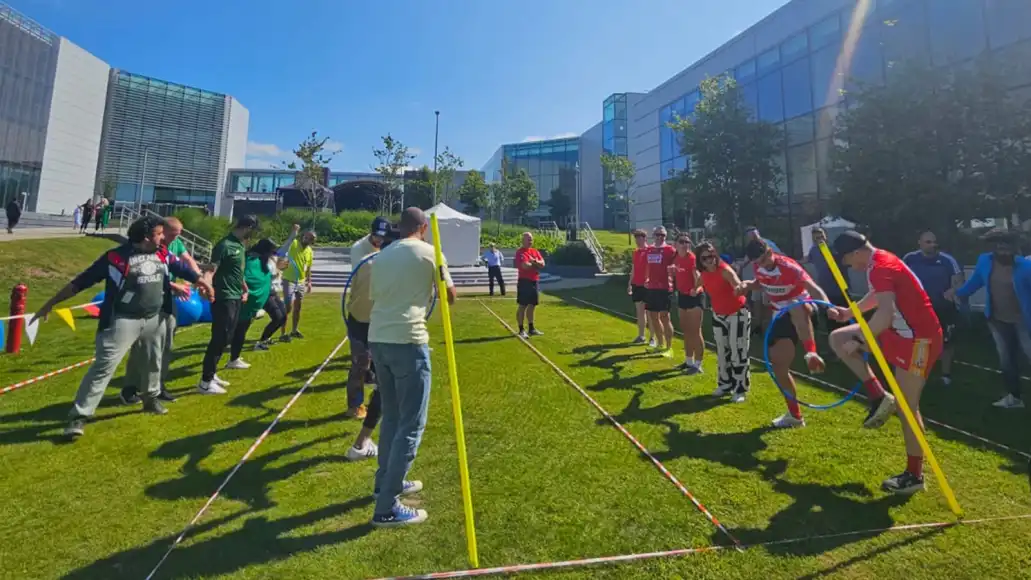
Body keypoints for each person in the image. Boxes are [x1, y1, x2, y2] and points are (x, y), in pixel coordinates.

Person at [30, 216, 210, 438]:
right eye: (160, 234)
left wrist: (202, 282)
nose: (164, 238)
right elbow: (81, 282)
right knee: (104, 367)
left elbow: (181, 268)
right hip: (122, 320)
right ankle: (78, 417)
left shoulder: (162, 253)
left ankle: (151, 399)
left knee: (154, 361)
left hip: (154, 318)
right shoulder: (114, 258)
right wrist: (50, 304)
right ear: (146, 237)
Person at [828, 231, 940, 495]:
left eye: (846, 260)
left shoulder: (880, 266)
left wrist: (859, 342)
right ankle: (878, 396)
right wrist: (850, 312)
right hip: (899, 333)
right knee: (837, 338)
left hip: (918, 340)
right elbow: (880, 297)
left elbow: (886, 314)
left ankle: (914, 475)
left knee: (907, 408)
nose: (848, 266)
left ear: (856, 252)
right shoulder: (876, 263)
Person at [367, 207, 456, 527]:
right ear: (423, 227)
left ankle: (385, 481)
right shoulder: (431, 253)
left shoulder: (383, 254)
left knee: (391, 416)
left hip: (379, 339)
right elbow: (450, 295)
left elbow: (377, 295)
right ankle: (387, 506)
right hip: (408, 341)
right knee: (411, 423)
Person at [740, 239, 832, 428]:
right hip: (780, 314)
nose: (767, 260)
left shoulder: (789, 266)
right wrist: (748, 285)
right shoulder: (759, 268)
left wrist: (828, 307)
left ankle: (811, 352)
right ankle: (795, 416)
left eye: (767, 255)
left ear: (769, 250)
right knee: (778, 366)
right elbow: (762, 283)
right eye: (761, 260)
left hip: (804, 308)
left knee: (795, 307)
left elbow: (813, 287)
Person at [120, 217, 203, 404]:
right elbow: (149, 273)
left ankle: (158, 386)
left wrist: (200, 280)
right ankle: (130, 388)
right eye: (173, 235)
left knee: (167, 344)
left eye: (178, 235)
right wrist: (174, 285)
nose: (176, 239)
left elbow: (185, 261)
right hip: (146, 300)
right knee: (142, 347)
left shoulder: (173, 244)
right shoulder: (146, 247)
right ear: (161, 231)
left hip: (167, 300)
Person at [948, 230, 1031, 409]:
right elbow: (976, 281)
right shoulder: (985, 261)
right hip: (997, 320)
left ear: (1014, 248)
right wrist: (958, 293)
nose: (1003, 251)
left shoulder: (1025, 267)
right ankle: (1014, 398)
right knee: (1006, 360)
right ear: (993, 247)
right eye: (999, 247)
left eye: (1007, 247)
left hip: (1024, 321)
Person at [199, 215, 258, 394]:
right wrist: (206, 285)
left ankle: (212, 373)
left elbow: (236, 271)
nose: (252, 236)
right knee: (219, 338)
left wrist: (244, 288)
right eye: (252, 231)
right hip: (223, 297)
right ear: (247, 227)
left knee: (227, 337)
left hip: (235, 296)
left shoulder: (239, 245)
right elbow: (211, 269)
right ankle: (205, 382)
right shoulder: (224, 245)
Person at [903, 231, 964, 386]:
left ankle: (946, 375)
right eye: (928, 242)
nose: (932, 245)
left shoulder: (947, 260)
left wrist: (953, 290)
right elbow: (901, 278)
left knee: (947, 342)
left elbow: (958, 280)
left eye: (934, 242)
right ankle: (920, 372)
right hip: (918, 308)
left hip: (943, 308)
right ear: (920, 243)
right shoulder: (910, 258)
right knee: (920, 340)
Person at [344, 217, 390, 421]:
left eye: (383, 237)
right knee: (360, 363)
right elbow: (369, 268)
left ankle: (381, 400)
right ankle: (354, 405)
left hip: (379, 315)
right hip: (358, 314)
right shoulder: (359, 248)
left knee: (381, 362)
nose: (379, 241)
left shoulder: (390, 248)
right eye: (376, 236)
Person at [697, 241, 750, 402]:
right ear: (700, 261)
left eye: (712, 255)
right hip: (718, 315)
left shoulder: (725, 270)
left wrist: (738, 287)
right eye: (705, 258)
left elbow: (737, 284)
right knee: (722, 351)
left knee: (737, 351)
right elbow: (699, 284)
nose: (710, 260)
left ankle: (740, 389)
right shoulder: (704, 273)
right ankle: (725, 384)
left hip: (737, 313)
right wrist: (694, 289)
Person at [226, 238, 280, 369]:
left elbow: (264, 277)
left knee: (240, 330)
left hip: (248, 303)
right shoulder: (251, 260)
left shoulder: (258, 259)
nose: (272, 255)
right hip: (243, 301)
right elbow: (249, 278)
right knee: (237, 331)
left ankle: (234, 358)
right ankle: (231, 361)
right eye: (271, 252)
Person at [806, 228, 850, 356]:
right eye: (816, 237)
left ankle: (849, 347)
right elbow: (808, 259)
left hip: (840, 290)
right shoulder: (813, 250)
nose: (818, 239)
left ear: (825, 236)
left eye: (821, 236)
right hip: (824, 292)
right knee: (829, 321)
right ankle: (834, 350)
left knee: (843, 319)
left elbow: (844, 264)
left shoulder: (834, 249)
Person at [673, 233, 704, 373]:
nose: (685, 244)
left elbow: (698, 276)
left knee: (695, 331)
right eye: (682, 242)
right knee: (686, 330)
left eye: (687, 242)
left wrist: (696, 288)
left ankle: (698, 365)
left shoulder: (692, 259)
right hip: (682, 296)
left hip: (694, 297)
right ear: (676, 244)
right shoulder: (676, 257)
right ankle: (688, 361)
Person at [644, 226, 677, 357]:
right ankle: (660, 344)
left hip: (664, 288)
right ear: (653, 235)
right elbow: (647, 265)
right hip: (651, 288)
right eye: (658, 234)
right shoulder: (649, 250)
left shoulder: (670, 250)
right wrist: (646, 278)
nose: (660, 237)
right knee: (653, 317)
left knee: (665, 317)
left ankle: (669, 347)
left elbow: (678, 263)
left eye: (662, 235)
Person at [280, 229, 316, 342]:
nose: (307, 239)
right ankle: (283, 333)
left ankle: (294, 330)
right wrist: (294, 231)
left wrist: (309, 282)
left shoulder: (310, 251)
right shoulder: (294, 244)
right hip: (289, 280)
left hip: (300, 282)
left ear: (312, 241)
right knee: (288, 307)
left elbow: (308, 268)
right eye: (306, 236)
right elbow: (287, 242)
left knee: (298, 308)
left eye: (310, 238)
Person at [514, 232, 545, 338]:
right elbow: (525, 266)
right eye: (528, 239)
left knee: (532, 305)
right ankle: (521, 329)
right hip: (524, 281)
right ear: (523, 240)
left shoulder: (535, 251)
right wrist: (536, 264)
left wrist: (534, 261)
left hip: (534, 281)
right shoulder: (520, 253)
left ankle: (531, 328)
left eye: (531, 239)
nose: (530, 241)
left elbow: (542, 264)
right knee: (523, 305)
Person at [627, 229, 654, 345]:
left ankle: (652, 337)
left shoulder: (650, 251)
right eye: (636, 239)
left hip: (647, 285)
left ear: (644, 238)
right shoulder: (636, 252)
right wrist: (629, 283)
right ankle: (641, 335)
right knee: (639, 312)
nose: (637, 241)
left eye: (639, 238)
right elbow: (633, 269)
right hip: (636, 285)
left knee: (650, 312)